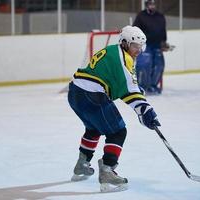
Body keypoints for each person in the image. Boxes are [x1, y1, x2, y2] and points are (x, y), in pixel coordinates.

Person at [67, 25, 161, 192]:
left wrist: (137, 96)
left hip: (75, 93)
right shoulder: (125, 59)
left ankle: (82, 164)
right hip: (91, 95)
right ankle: (107, 171)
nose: (138, 50)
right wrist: (145, 111)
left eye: (140, 46)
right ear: (124, 43)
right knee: (118, 131)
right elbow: (129, 91)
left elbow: (121, 86)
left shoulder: (113, 50)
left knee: (94, 128)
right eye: (134, 46)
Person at [133, 0, 169, 94]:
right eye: (150, 4)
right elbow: (135, 29)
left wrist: (164, 42)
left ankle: (153, 86)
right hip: (145, 44)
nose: (152, 6)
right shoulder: (141, 16)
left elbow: (163, 31)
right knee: (144, 64)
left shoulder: (160, 16)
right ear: (146, 5)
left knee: (159, 65)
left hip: (157, 44)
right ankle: (142, 87)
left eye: (153, 4)